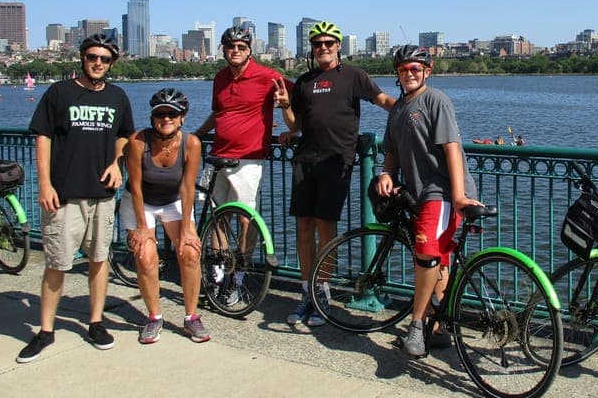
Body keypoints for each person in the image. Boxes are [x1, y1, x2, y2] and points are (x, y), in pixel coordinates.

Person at [17, 34, 135, 363]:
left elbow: (125, 134)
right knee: (57, 263)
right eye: (92, 57)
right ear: (82, 58)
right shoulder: (59, 92)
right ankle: (45, 330)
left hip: (102, 194)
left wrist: (117, 163)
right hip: (64, 193)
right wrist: (45, 184)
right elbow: (43, 138)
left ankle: (95, 323)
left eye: (104, 59)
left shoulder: (117, 96)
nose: (98, 63)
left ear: (112, 63)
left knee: (99, 260)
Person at [275, 20, 395, 327]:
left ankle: (322, 293)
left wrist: (412, 111)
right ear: (312, 49)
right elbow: (297, 124)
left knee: (325, 226)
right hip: (305, 159)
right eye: (318, 44)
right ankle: (307, 292)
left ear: (338, 46)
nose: (323, 48)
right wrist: (285, 107)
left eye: (329, 43)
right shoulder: (304, 81)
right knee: (304, 227)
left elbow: (382, 100)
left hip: (336, 160)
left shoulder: (353, 75)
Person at [373, 45, 481, 357]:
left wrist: (459, 196)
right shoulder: (398, 108)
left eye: (415, 69)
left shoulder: (436, 100)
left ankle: (417, 325)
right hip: (417, 193)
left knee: (425, 254)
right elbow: (392, 151)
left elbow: (451, 148)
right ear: (397, 73)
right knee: (437, 258)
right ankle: (439, 327)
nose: (409, 74)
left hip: (442, 191)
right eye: (403, 69)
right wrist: (386, 174)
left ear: (427, 71)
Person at [195, 26, 288, 306]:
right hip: (217, 155)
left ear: (250, 51)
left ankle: (238, 277)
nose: (235, 50)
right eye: (230, 46)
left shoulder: (268, 76)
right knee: (216, 217)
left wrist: (292, 127)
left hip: (248, 159)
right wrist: (196, 135)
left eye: (241, 47)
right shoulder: (220, 78)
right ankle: (217, 276)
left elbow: (299, 99)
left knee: (245, 219)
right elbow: (218, 113)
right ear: (223, 50)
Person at [121, 88, 209, 344]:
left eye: (172, 114)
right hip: (140, 202)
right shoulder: (138, 142)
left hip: (173, 201)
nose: (166, 118)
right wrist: (142, 227)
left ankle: (191, 317)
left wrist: (187, 229)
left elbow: (187, 188)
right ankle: (154, 317)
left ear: (182, 117)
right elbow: (135, 185)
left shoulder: (191, 143)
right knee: (145, 256)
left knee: (190, 252)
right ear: (152, 118)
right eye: (160, 114)